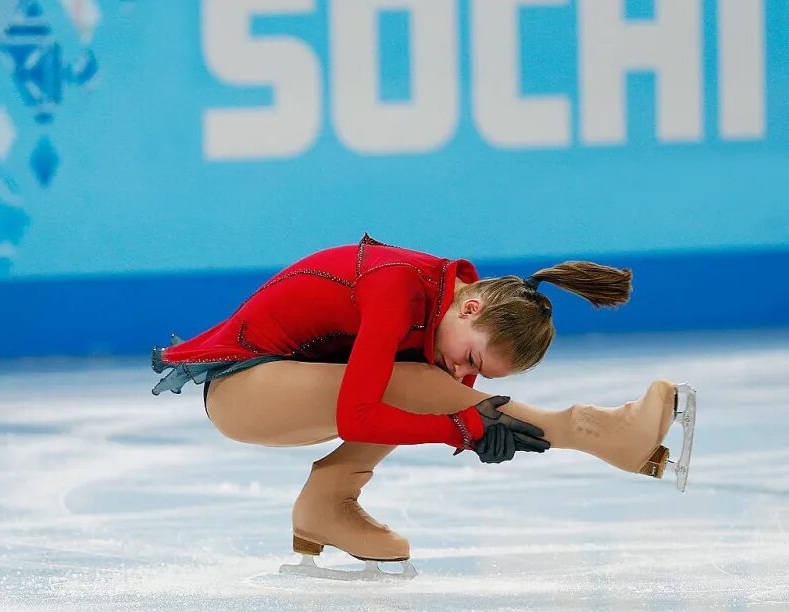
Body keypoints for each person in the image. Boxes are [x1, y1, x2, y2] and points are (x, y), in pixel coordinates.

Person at [150, 232, 695, 581]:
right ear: (472, 304)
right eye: (473, 357)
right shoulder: (398, 290)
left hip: (286, 385)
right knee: (414, 380)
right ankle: (593, 431)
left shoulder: (444, 316)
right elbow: (357, 416)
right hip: (241, 391)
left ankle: (327, 504)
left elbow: (431, 392)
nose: (466, 372)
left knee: (423, 378)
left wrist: (467, 419)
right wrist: (462, 427)